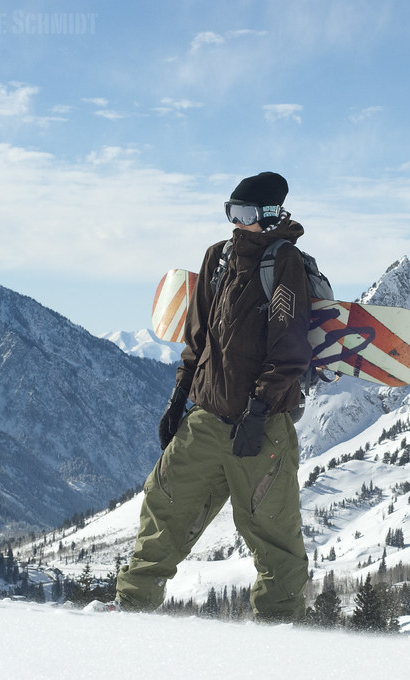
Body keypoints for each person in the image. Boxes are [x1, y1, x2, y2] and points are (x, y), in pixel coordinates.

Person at [115, 171, 312, 621]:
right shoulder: (217, 259)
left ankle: (278, 629)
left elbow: (289, 350)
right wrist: (177, 399)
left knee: (272, 532)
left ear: (269, 215)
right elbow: (197, 339)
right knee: (163, 506)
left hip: (261, 428)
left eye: (244, 214)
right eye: (231, 212)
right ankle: (130, 609)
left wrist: (259, 411)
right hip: (205, 419)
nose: (236, 223)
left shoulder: (285, 264)